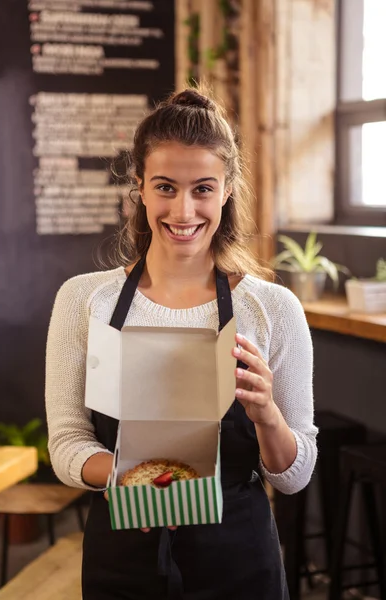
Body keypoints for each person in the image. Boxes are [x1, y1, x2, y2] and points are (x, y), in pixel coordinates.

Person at [45, 87, 318, 600]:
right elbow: (67, 446)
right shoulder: (85, 301)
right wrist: (135, 479)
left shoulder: (273, 309)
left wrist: (267, 416)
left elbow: (294, 477)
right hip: (122, 559)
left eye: (203, 189)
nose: (184, 209)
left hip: (239, 560)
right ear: (140, 187)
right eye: (166, 187)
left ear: (228, 190)